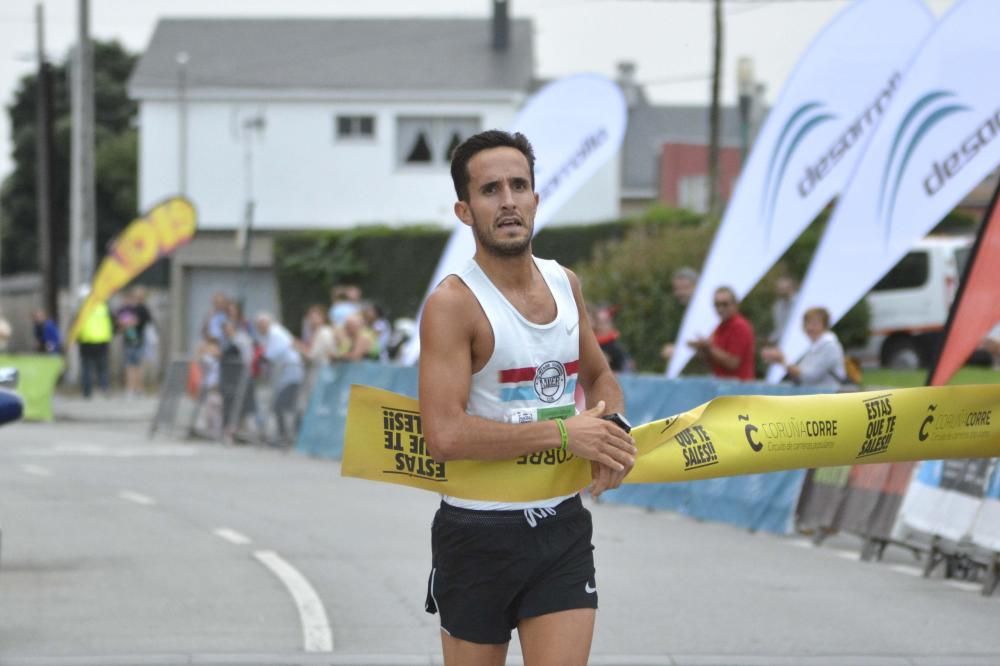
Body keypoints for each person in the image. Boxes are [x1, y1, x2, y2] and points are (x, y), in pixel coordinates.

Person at [418, 130, 636, 666]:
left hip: (560, 526)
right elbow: (443, 435)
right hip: (477, 532)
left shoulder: (566, 283)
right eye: (491, 190)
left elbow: (601, 376)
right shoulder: (453, 304)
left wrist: (610, 429)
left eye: (520, 185)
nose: (509, 200)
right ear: (465, 211)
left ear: (536, 199)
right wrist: (566, 432)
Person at [761, 307, 846, 390]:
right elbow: (799, 379)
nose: (810, 328)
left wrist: (782, 361)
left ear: (825, 326)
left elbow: (808, 377)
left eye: (814, 324)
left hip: (829, 400)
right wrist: (780, 361)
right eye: (807, 324)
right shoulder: (815, 348)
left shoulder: (830, 347)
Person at [254, 312, 304, 447]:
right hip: (285, 375)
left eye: (261, 325)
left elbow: (274, 353)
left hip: (291, 374)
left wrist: (262, 359)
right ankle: (291, 435)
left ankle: (286, 436)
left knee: (280, 406)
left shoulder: (275, 333)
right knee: (290, 406)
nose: (260, 328)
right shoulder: (274, 333)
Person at [687, 286, 756, 380]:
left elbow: (733, 363)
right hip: (725, 385)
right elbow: (715, 361)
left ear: (735, 304)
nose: (720, 308)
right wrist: (702, 349)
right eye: (717, 305)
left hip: (739, 388)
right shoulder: (719, 327)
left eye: (725, 304)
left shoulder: (739, 326)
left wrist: (708, 348)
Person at [115, 286, 154, 397]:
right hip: (130, 340)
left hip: (138, 340)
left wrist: (125, 321)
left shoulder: (141, 309)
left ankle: (135, 389)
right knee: (132, 366)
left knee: (134, 366)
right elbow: (120, 324)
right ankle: (133, 389)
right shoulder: (130, 309)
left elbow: (132, 322)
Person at [77, 296, 114, 398]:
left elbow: (76, 326)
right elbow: (112, 323)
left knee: (87, 368)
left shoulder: (83, 308)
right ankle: (104, 388)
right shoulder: (104, 307)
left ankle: (87, 392)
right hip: (102, 341)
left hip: (86, 341)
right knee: (102, 368)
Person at [659, 266, 698, 363]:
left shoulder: (709, 313)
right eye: (677, 289)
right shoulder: (675, 312)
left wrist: (680, 351)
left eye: (685, 288)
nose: (680, 293)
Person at [590, 304, 630, 372]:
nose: (600, 326)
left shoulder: (616, 347)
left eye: (605, 323)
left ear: (611, 325)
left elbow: (624, 368)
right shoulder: (590, 344)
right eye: (599, 323)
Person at [769, 275, 799, 344]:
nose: (778, 290)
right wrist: (771, 339)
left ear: (790, 287)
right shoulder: (777, 306)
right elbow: (780, 328)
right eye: (778, 288)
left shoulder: (800, 303)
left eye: (781, 288)